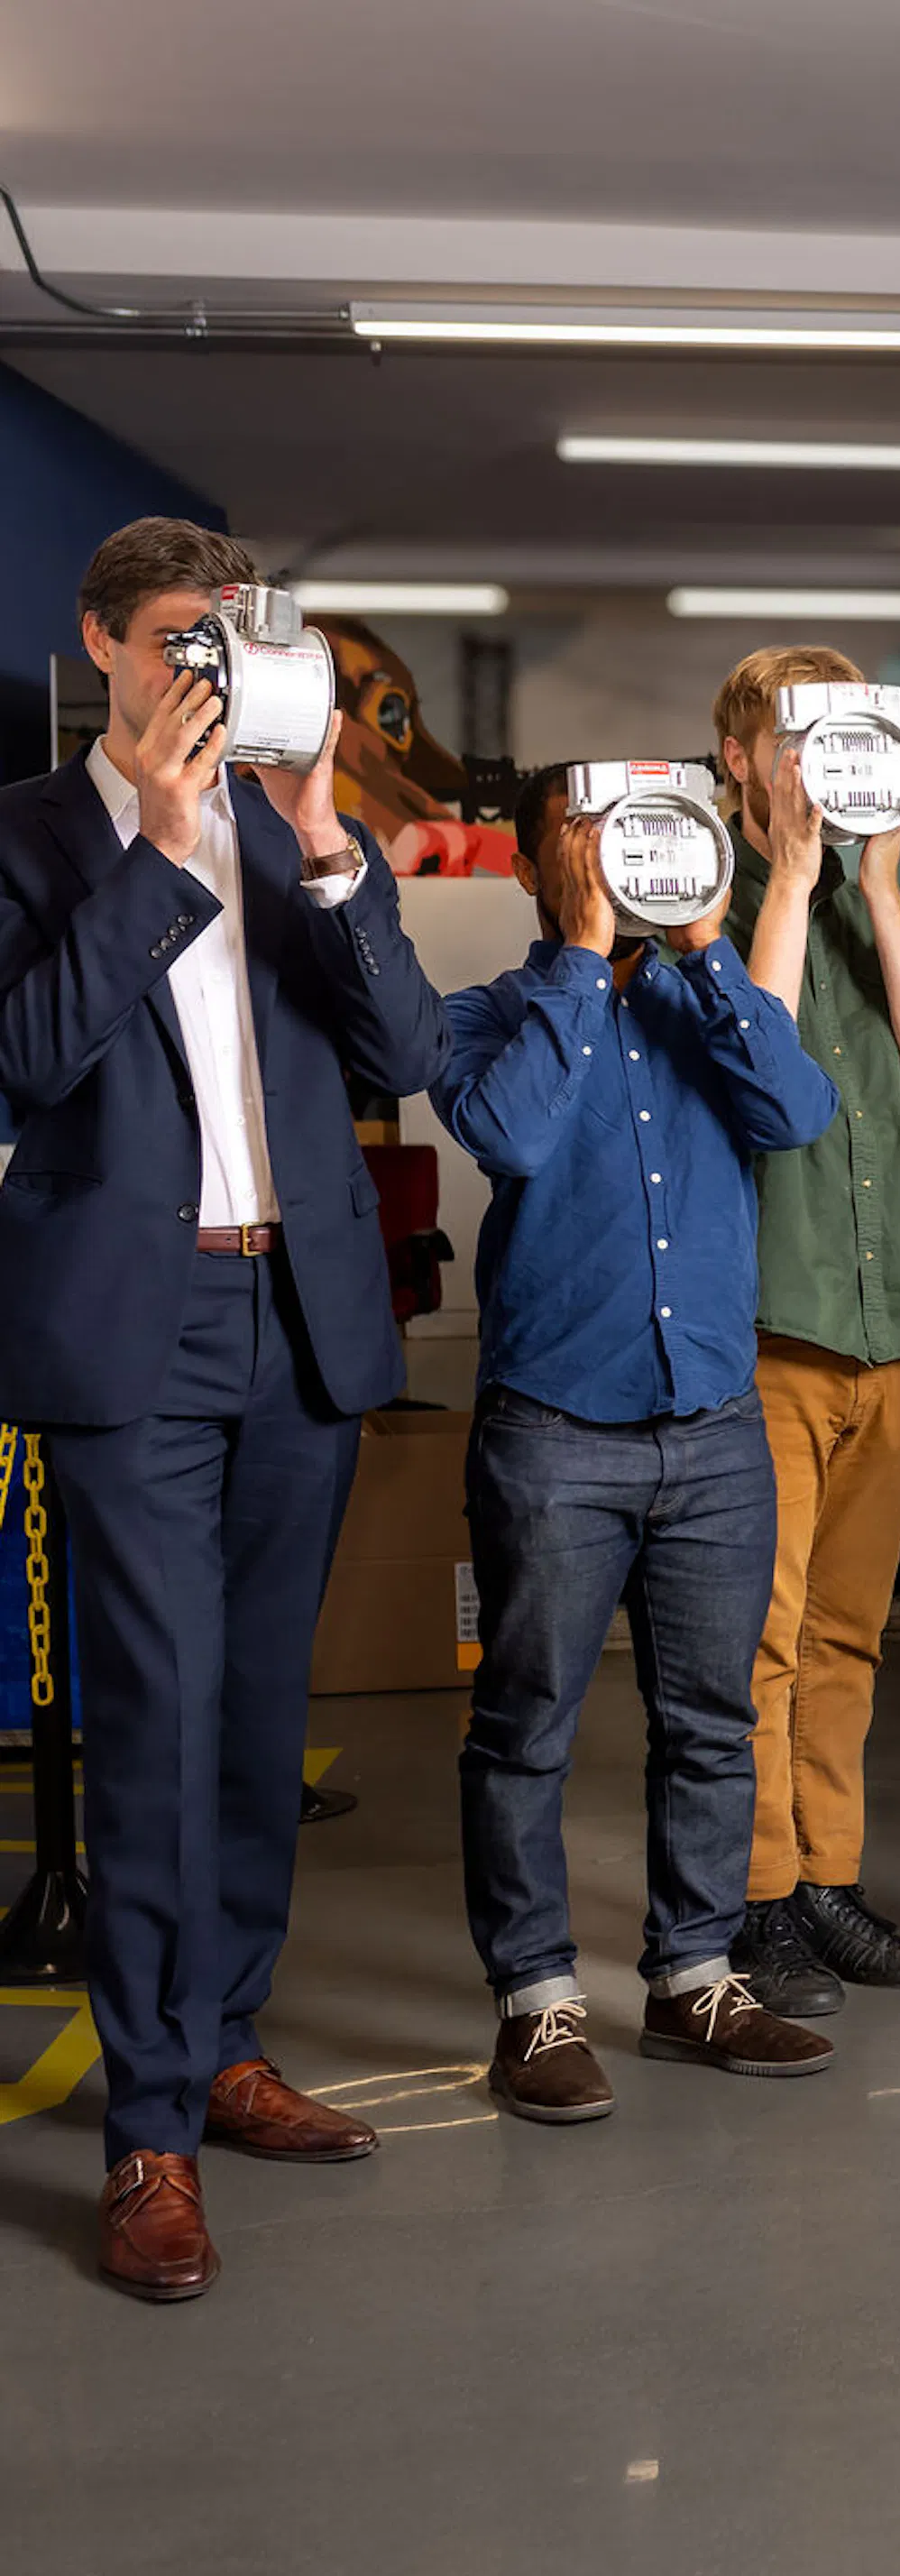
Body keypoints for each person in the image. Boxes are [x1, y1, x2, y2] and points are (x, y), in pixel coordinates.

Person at [0, 518, 445, 2302]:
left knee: (265, 1714)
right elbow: (28, 1058)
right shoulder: (28, 838)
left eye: (231, 641)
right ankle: (150, 2132)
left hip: (296, 1312)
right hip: (133, 1326)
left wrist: (326, 837)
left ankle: (229, 2043)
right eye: (177, 636)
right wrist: (167, 855)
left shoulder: (294, 829)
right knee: (162, 1721)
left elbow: (408, 1057)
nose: (205, 668)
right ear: (102, 645)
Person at [437, 763, 844, 2122]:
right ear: (534, 864)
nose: (625, 856)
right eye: (589, 837)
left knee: (712, 1724)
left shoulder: (707, 1007)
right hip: (555, 1436)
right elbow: (510, 1131)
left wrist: (706, 944)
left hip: (717, 1429)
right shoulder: (490, 1017)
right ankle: (535, 2003)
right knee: (527, 1726)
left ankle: (695, 1977)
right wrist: (580, 950)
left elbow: (796, 1114)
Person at [714, 647, 900, 2018]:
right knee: (759, 1639)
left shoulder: (872, 900)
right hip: (779, 1318)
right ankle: (757, 1901)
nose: (823, 759)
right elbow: (760, 1045)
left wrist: (876, 882)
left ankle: (828, 1882)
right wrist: (799, 869)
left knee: (849, 1631)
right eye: (795, 736)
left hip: (897, 1321)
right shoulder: (701, 894)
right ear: (743, 762)